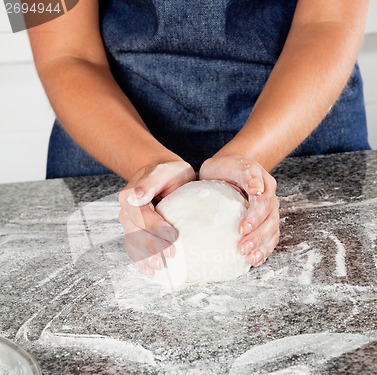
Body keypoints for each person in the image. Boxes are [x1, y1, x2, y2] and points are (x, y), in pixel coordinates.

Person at [27, 0, 370, 277]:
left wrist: (251, 157)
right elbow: (64, 55)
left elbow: (329, 23)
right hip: (109, 136)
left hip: (301, 128)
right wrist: (147, 166)